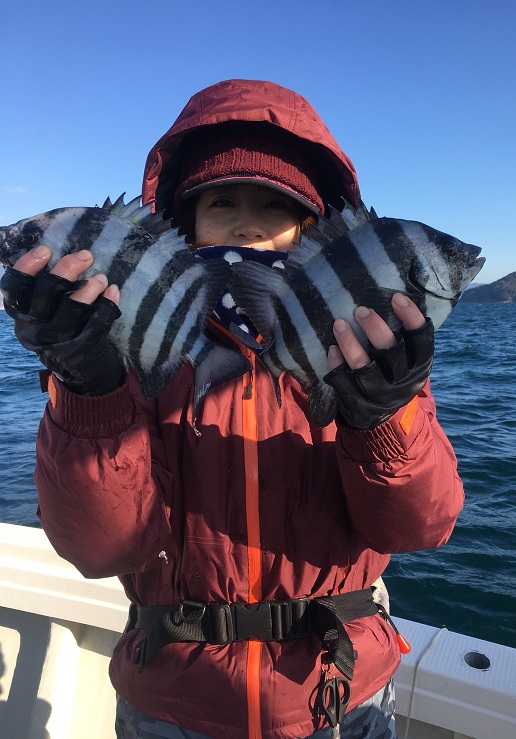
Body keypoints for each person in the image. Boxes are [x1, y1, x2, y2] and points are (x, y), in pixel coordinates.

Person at [1, 79, 464, 739]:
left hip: (339, 699)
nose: (248, 223)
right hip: (173, 708)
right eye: (223, 203)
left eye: (275, 206)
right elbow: (99, 546)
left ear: (311, 230)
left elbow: (421, 525)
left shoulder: (364, 355)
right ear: (187, 227)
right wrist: (89, 391)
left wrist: (383, 418)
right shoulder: (132, 358)